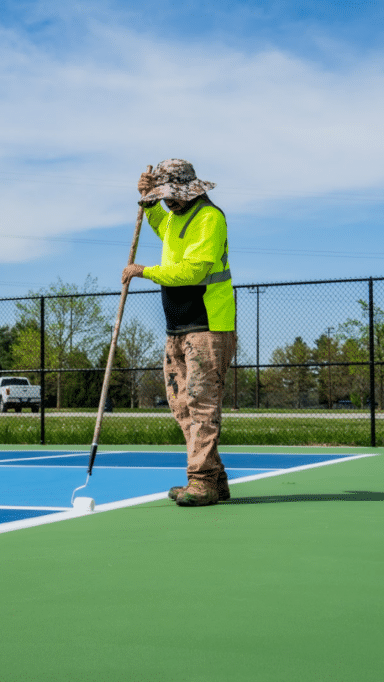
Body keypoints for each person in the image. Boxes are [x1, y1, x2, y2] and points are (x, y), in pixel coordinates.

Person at [121, 159, 236, 507]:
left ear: (188, 189)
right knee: (181, 404)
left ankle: (200, 481)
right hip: (177, 326)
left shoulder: (210, 218)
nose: (168, 202)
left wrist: (145, 271)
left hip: (208, 325)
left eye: (170, 195)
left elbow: (194, 270)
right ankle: (214, 480)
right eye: (164, 196)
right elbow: (162, 227)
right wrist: (146, 201)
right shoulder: (173, 215)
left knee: (202, 404)